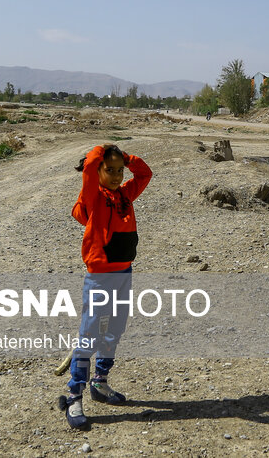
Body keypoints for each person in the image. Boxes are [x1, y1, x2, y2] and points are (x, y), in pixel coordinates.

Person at [58, 144, 152, 430]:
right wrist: (101, 150)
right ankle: (75, 395)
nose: (114, 175)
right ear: (98, 170)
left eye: (119, 170)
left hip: (124, 273)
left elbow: (145, 174)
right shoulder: (93, 197)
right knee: (89, 335)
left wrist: (127, 158)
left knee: (114, 330)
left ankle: (100, 381)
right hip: (99, 277)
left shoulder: (125, 193)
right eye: (108, 170)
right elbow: (88, 168)